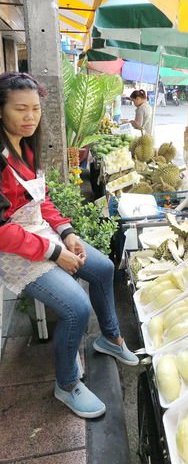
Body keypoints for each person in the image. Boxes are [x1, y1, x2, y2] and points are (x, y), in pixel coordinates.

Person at [0, 72, 138, 420]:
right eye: (21, 109)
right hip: (16, 251)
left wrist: (67, 233)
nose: (31, 116)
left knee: (104, 267)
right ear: (1, 110)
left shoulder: (26, 147)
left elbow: (40, 200)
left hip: (43, 235)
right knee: (76, 307)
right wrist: (54, 253)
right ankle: (67, 382)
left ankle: (110, 338)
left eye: (35, 109)